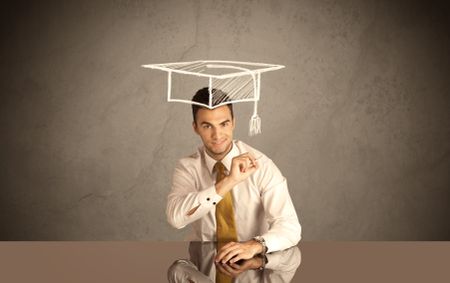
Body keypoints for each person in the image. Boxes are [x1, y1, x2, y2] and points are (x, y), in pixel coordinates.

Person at [166, 87, 301, 264]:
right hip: (205, 264)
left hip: (252, 265)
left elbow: (290, 227)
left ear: (234, 123)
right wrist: (229, 182)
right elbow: (176, 219)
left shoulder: (261, 165)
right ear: (195, 128)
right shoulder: (188, 167)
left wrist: (254, 245)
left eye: (224, 124)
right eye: (207, 126)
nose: (217, 135)